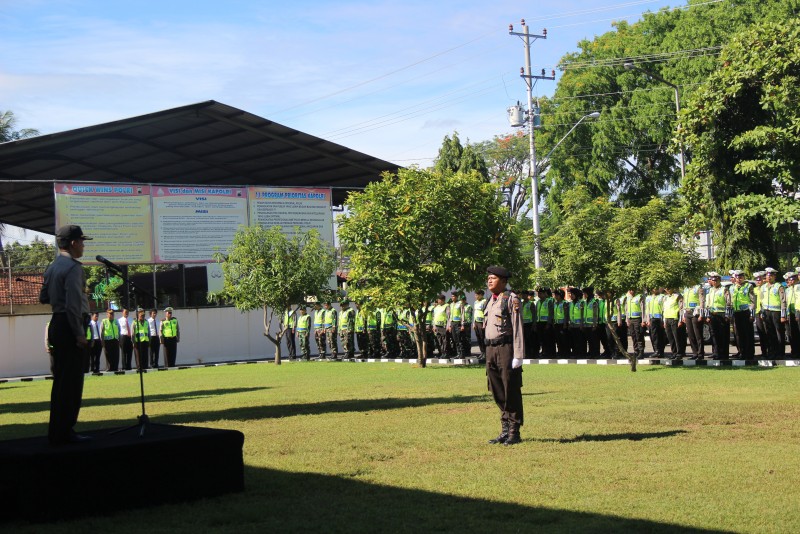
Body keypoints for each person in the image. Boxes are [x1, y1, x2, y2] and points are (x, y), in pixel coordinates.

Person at [39, 224, 92, 445]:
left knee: (61, 382)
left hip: (57, 323)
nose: (83, 246)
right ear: (73, 243)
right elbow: (72, 305)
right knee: (72, 383)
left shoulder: (52, 267)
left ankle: (57, 431)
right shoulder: (73, 268)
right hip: (70, 326)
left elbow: (43, 297)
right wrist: (79, 334)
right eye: (81, 241)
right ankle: (65, 432)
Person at [484, 266, 525, 446]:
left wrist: (518, 355)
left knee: (511, 389)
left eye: (493, 278)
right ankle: (505, 429)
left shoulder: (511, 299)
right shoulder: (490, 301)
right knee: (496, 389)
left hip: (506, 349)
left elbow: (518, 327)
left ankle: (514, 431)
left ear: (503, 281)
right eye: (488, 278)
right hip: (490, 349)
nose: (489, 281)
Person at [705, 272, 731, 360]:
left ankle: (724, 354)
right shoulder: (710, 290)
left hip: (722, 315)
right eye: (713, 280)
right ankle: (716, 353)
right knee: (714, 335)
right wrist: (707, 316)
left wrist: (727, 315)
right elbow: (708, 304)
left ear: (719, 280)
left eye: (716, 280)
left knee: (723, 335)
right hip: (713, 315)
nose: (714, 282)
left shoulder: (724, 289)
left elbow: (728, 303)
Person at [761, 267, 787, 359]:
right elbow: (762, 300)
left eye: (771, 275)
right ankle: (771, 352)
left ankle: (780, 353)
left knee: (779, 332)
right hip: (766, 312)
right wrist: (762, 312)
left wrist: (783, 315)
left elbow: (783, 301)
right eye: (767, 275)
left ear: (774, 276)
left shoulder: (779, 286)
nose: (769, 277)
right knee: (769, 332)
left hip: (776, 312)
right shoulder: (763, 287)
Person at [729, 271, 755, 360]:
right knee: (738, 334)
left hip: (746, 312)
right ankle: (742, 352)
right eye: (737, 278)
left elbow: (752, 301)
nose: (739, 279)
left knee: (747, 333)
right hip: (736, 312)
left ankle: (749, 353)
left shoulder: (748, 286)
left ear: (743, 278)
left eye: (740, 278)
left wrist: (752, 314)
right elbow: (730, 302)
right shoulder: (732, 287)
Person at [682, 281, 706, 359]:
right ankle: (695, 353)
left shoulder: (698, 288)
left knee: (698, 334)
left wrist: (701, 314)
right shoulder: (686, 289)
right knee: (690, 334)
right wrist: (683, 315)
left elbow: (702, 301)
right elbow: (684, 302)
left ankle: (700, 353)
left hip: (695, 313)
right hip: (687, 312)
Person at [662, 288, 685, 360]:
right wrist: (664, 321)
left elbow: (681, 308)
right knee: (670, 338)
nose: (667, 289)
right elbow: (664, 309)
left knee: (677, 337)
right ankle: (674, 352)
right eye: (666, 288)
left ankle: (679, 353)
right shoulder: (665, 297)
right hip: (667, 318)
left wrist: (680, 320)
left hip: (675, 318)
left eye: (669, 288)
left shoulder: (677, 296)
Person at [786, 272, 799, 359]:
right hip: (790, 313)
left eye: (792, 279)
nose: (791, 281)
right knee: (792, 333)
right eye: (789, 280)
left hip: (798, 311)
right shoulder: (788, 290)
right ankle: (794, 351)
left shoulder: (798, 287)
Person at [473, 289, 487, 362]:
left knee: (482, 338)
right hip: (476, 322)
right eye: (475, 295)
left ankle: (485, 353)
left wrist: (484, 323)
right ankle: (482, 352)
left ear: (481, 295)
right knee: (478, 338)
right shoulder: (475, 302)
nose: (475, 296)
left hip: (482, 322)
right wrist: (474, 322)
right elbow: (475, 312)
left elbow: (485, 313)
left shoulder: (484, 301)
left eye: (477, 295)